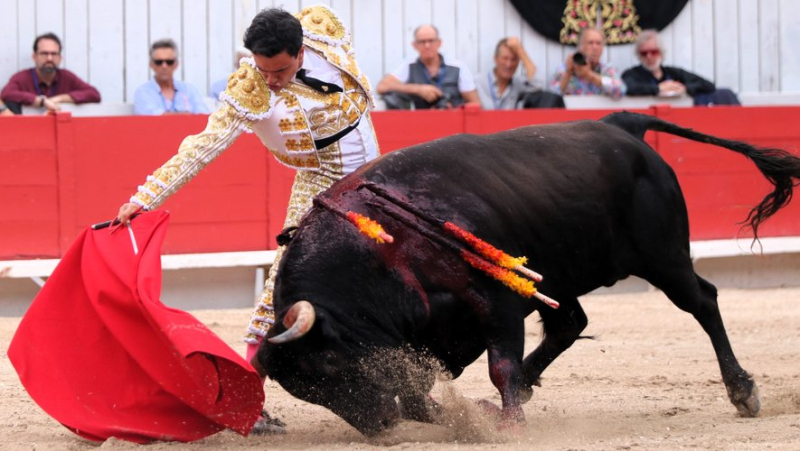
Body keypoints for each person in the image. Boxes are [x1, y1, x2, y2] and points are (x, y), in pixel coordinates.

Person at [115, 5, 380, 433]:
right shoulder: (250, 89)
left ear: (300, 51)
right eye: (262, 68)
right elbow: (203, 146)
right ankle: (245, 397)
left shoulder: (323, 29)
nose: (269, 80)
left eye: (278, 70)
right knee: (284, 279)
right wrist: (145, 197)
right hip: (322, 185)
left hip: (379, 172)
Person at [622, 29, 741, 106]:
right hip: (647, 124)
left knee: (725, 94)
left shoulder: (673, 73)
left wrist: (684, 88)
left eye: (653, 52)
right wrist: (659, 88)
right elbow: (628, 87)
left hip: (682, 123)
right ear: (639, 55)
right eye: (644, 53)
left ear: (661, 53)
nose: (649, 56)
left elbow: (708, 85)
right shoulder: (632, 74)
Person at [376, 24, 480, 109]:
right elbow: (382, 87)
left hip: (453, 123)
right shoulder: (409, 65)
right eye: (422, 42)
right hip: (419, 123)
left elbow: (475, 103)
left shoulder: (458, 67)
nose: (427, 45)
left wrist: (454, 109)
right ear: (414, 45)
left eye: (431, 41)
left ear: (439, 43)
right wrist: (418, 89)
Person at [0, 32, 101, 114]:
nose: (49, 58)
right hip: (28, 132)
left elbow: (94, 94)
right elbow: (6, 94)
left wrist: (59, 99)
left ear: (60, 57)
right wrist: (41, 101)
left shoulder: (66, 77)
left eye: (54, 54)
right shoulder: (22, 77)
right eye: (44, 53)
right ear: (34, 56)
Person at [477, 37, 564, 110]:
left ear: (518, 62)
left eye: (513, 59)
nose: (509, 64)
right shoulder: (477, 83)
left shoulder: (517, 84)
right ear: (495, 59)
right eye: (505, 58)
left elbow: (539, 84)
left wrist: (520, 51)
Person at [133, 39, 210, 115]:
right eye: (158, 62)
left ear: (176, 64)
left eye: (169, 62)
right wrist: (187, 115)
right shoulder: (143, 92)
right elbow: (156, 119)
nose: (164, 66)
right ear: (151, 64)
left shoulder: (189, 90)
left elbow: (204, 116)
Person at [551, 27, 625, 100]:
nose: (595, 47)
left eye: (598, 43)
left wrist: (589, 75)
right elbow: (552, 98)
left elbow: (620, 91)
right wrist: (568, 73)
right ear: (581, 47)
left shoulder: (607, 69)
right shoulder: (564, 68)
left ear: (602, 48)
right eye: (590, 43)